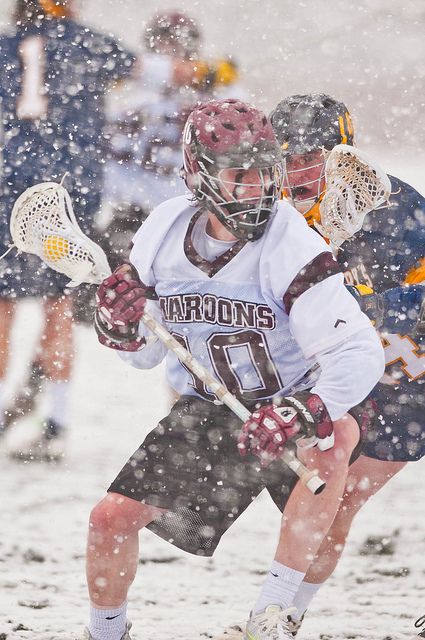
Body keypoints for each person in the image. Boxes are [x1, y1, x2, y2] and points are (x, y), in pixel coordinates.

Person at [82, 98, 384, 640]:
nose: (258, 190)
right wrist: (122, 325)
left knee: (335, 437)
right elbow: (146, 356)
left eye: (266, 174)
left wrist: (302, 410)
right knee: (109, 519)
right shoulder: (163, 230)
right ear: (199, 174)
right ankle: (106, 632)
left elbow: (359, 352)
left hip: (290, 404)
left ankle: (271, 615)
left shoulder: (290, 241)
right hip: (210, 407)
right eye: (239, 176)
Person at [265, 93, 425, 635]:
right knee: (327, 494)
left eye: (311, 155)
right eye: (285, 156)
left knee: (345, 496)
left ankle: (283, 611)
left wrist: (355, 301)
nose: (297, 170)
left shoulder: (395, 211)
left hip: (409, 367)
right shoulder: (273, 213)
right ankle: (284, 614)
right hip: (344, 367)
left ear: (343, 153)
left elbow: (397, 309)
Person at [0, 0, 138, 459]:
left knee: (3, 308)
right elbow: (142, 68)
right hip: (65, 190)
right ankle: (56, 422)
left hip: (7, 187)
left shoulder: (6, 45)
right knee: (58, 305)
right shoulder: (86, 42)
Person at [101, 10, 241, 270]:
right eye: (164, 43)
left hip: (188, 205)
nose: (171, 50)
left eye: (177, 43)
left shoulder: (212, 91)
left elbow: (241, 126)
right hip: (134, 206)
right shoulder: (132, 90)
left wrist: (213, 81)